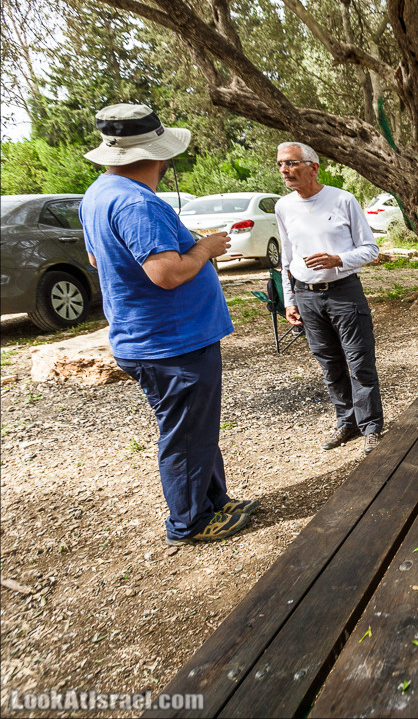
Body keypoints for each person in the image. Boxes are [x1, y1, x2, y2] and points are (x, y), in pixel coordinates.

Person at [79, 104, 258, 546]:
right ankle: (189, 521)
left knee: (197, 428)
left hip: (155, 338)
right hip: (170, 344)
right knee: (183, 435)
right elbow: (167, 273)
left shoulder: (98, 194)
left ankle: (214, 503)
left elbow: (96, 259)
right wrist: (206, 248)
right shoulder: (137, 203)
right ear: (157, 157)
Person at [274, 142, 384, 454]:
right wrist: (290, 299)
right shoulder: (283, 207)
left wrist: (338, 259)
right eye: (280, 164)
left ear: (313, 167)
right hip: (307, 298)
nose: (285, 170)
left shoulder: (342, 199)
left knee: (360, 362)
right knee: (329, 365)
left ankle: (371, 427)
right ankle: (346, 423)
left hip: (343, 292)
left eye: (292, 163)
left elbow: (370, 249)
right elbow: (287, 257)